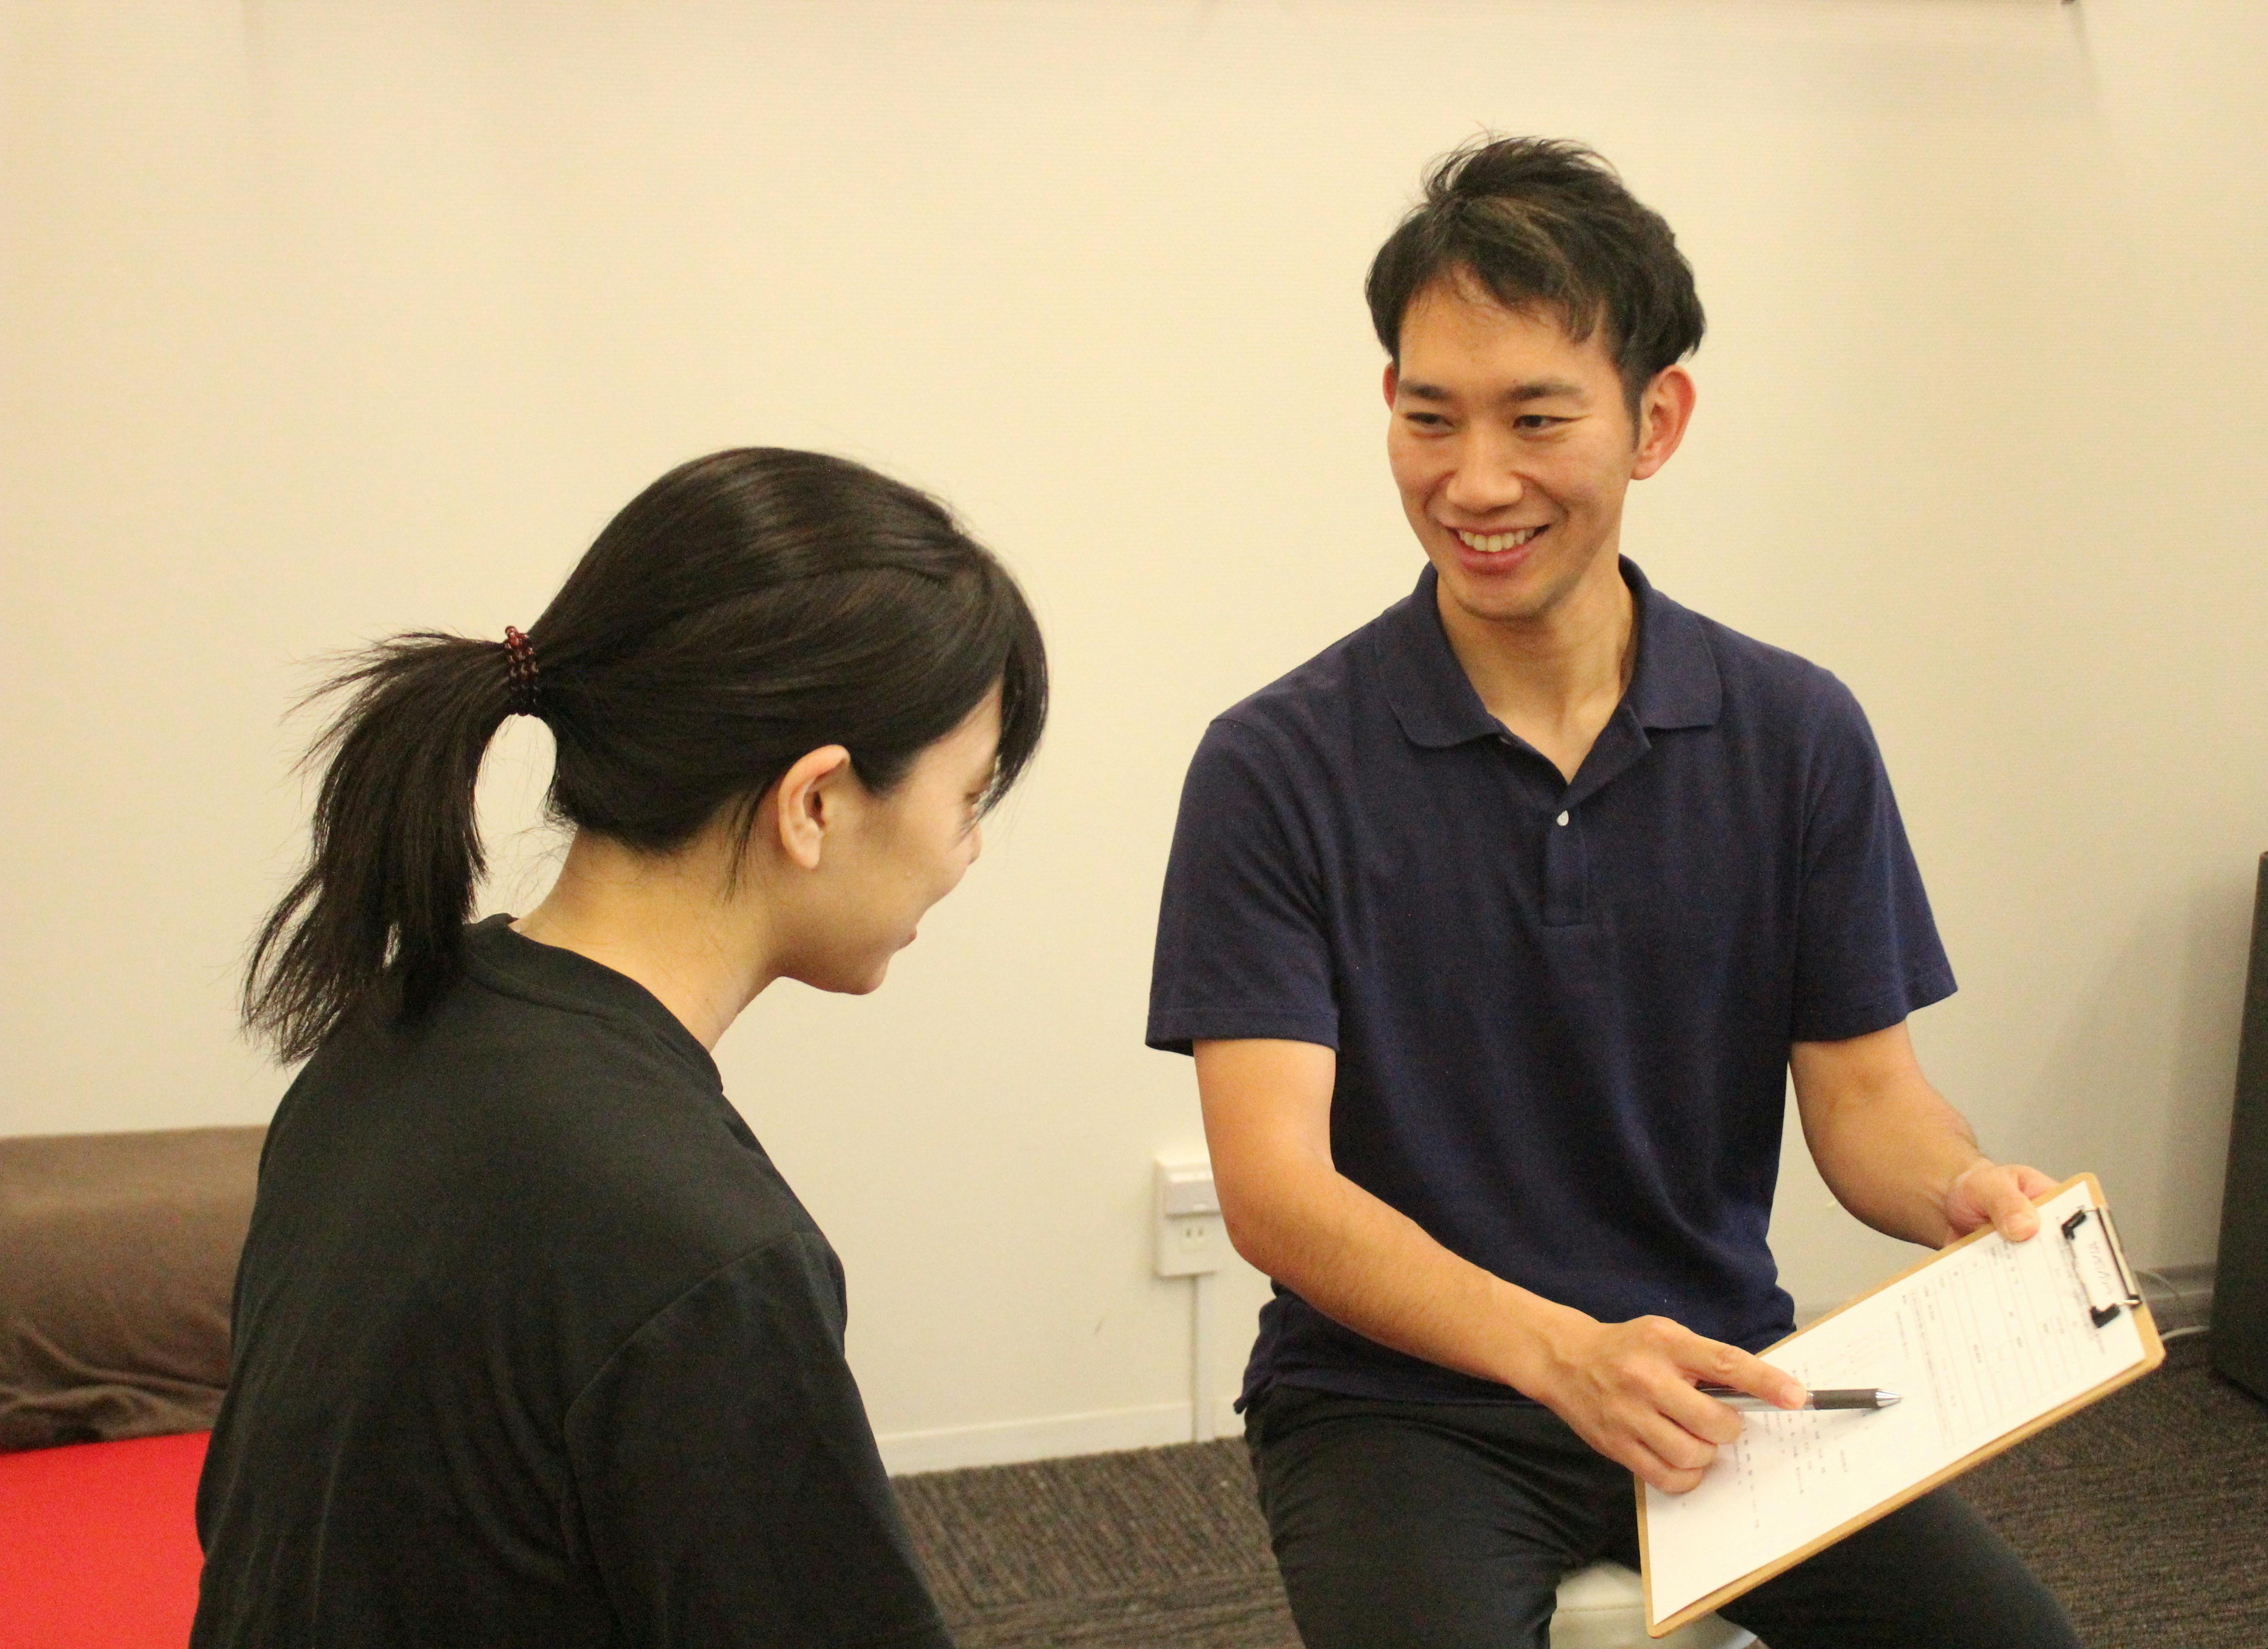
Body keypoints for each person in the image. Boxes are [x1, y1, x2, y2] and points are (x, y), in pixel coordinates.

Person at [1147, 138, 2083, 1649]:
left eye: (1536, 419)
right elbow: (1278, 1195)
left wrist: (1961, 1191)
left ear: (1657, 422)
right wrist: (1561, 1354)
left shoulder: (1796, 734)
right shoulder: (1276, 764)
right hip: (1399, 1402)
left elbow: (1870, 1105)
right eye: (1429, 418)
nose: (1475, 481)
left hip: (1714, 1380)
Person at [195, 448, 1046, 1648]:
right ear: (816, 803)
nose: (968, 852)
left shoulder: (392, 1032)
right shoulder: (702, 1254)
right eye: (968, 800)